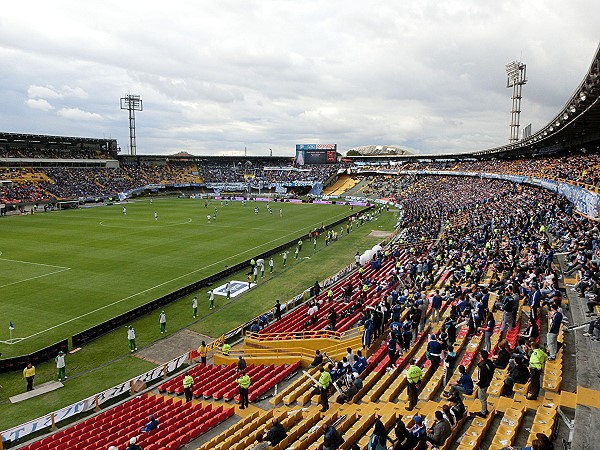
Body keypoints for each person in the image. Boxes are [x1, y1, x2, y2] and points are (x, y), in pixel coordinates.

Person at [475, 350, 495, 417]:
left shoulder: (482, 366)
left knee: (482, 398)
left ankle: (483, 412)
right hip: (488, 381)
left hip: (483, 384)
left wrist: (479, 384)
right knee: (483, 397)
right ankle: (484, 410)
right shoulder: (489, 362)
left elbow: (482, 377)